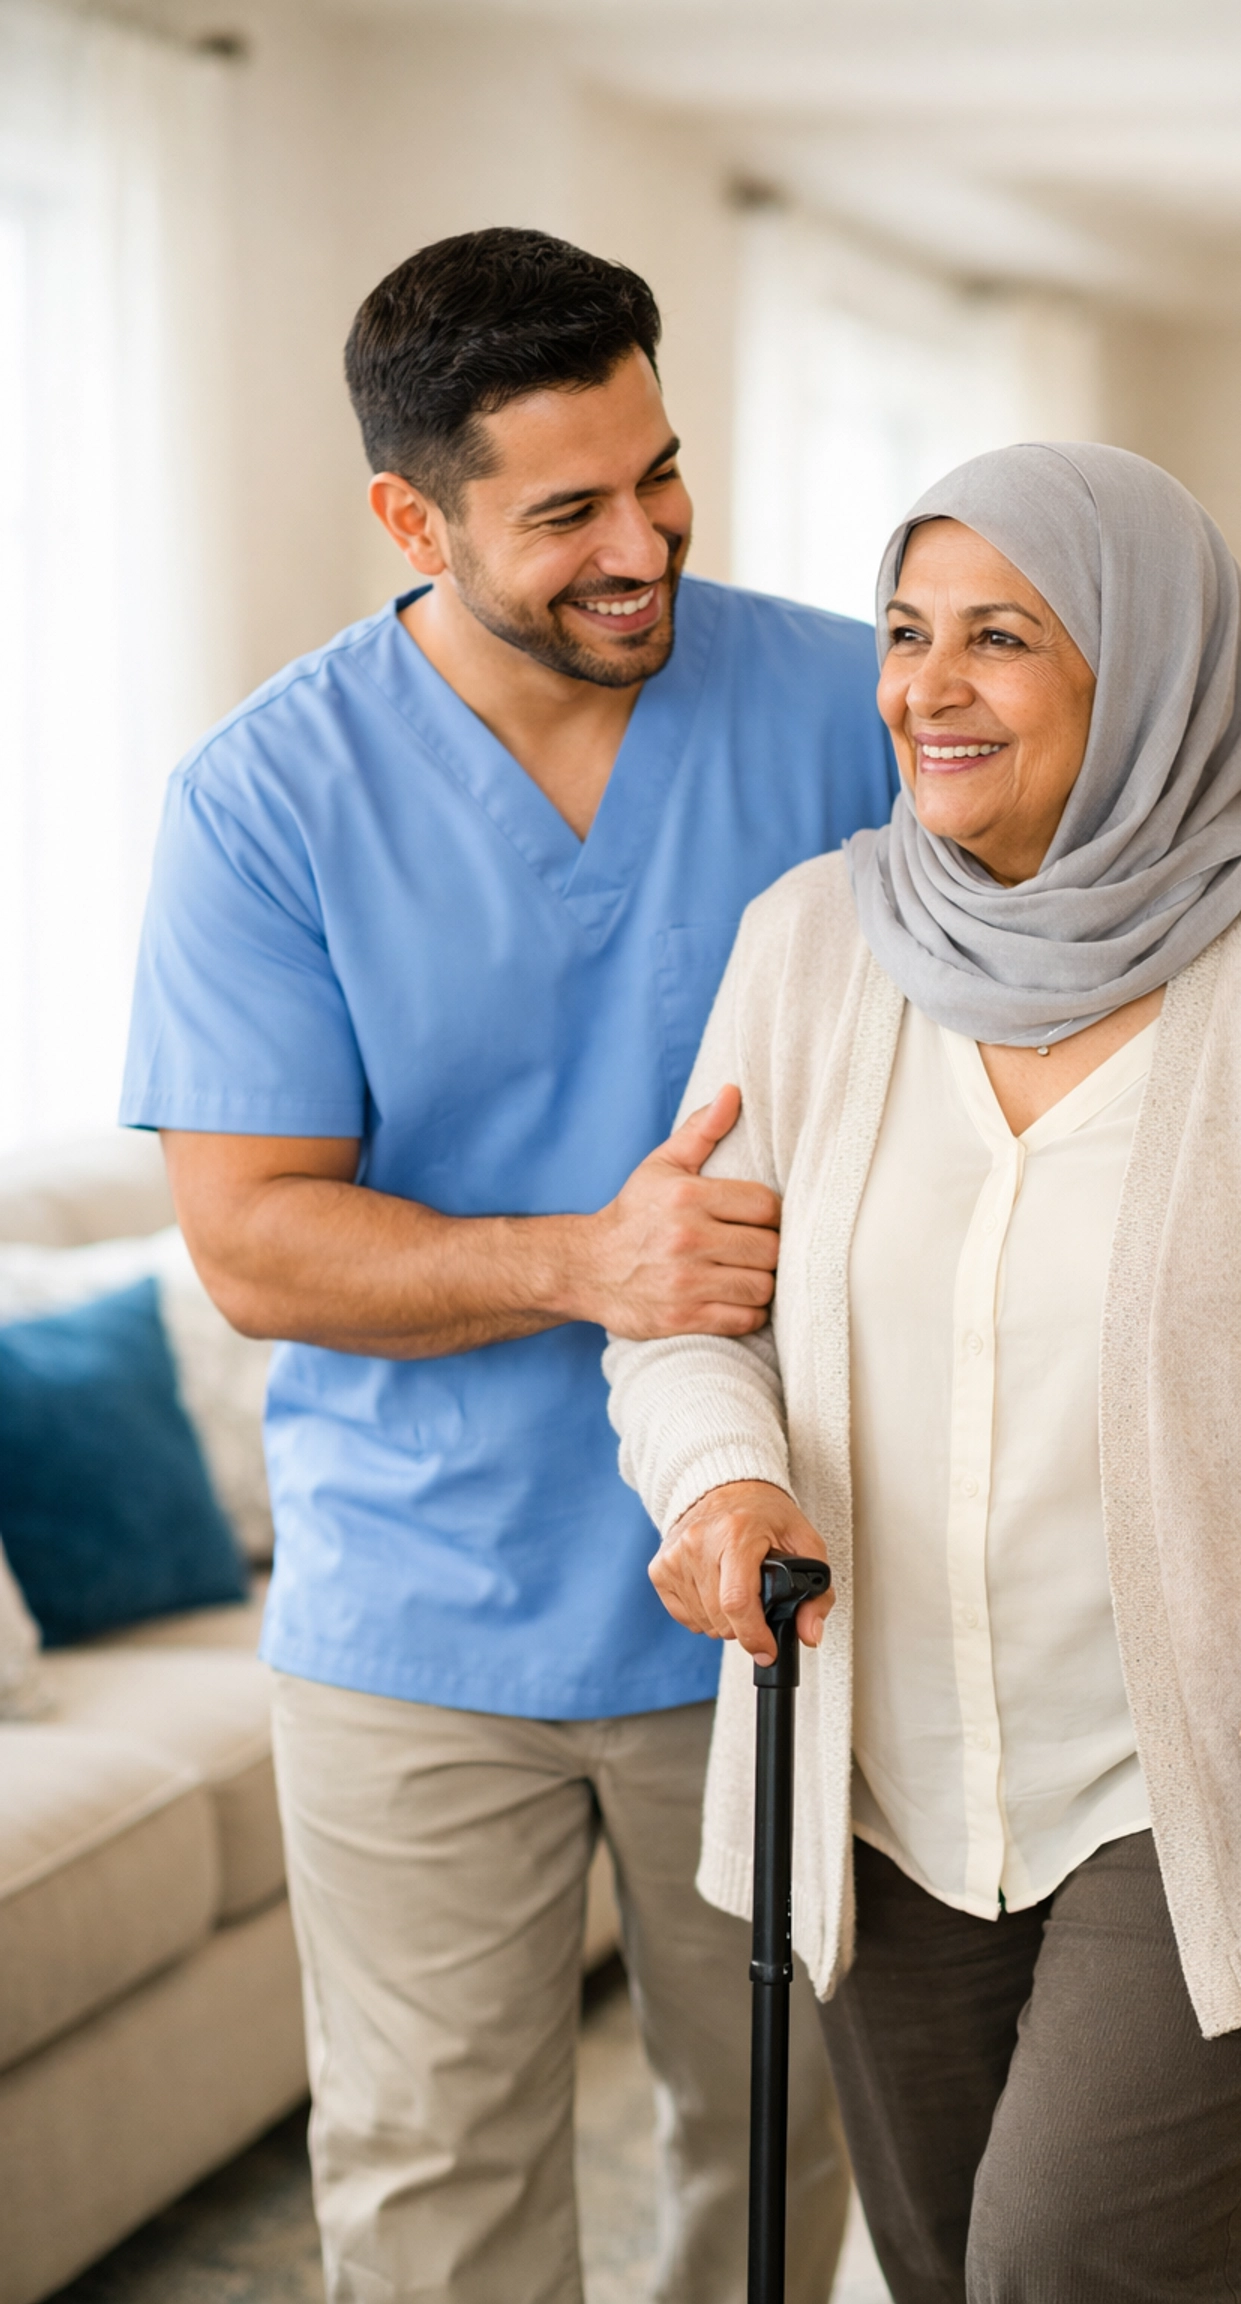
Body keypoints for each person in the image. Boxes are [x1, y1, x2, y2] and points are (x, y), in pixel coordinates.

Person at [605, 443, 1241, 2304]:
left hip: (1224, 1775)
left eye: (1000, 639)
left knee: (1057, 2275)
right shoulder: (812, 946)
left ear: (1145, 667)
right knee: (947, 2273)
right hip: (887, 1779)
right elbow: (690, 1306)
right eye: (904, 632)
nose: (925, 688)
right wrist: (718, 1484)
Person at [120, 227, 898, 2304]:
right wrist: (591, 1262)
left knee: (777, 2146)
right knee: (436, 2180)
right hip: (418, 1612)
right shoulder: (267, 799)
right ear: (411, 514)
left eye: (661, 474)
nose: (643, 544)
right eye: (568, 512)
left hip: (778, 1585)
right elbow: (252, 1241)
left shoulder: (848, 709)